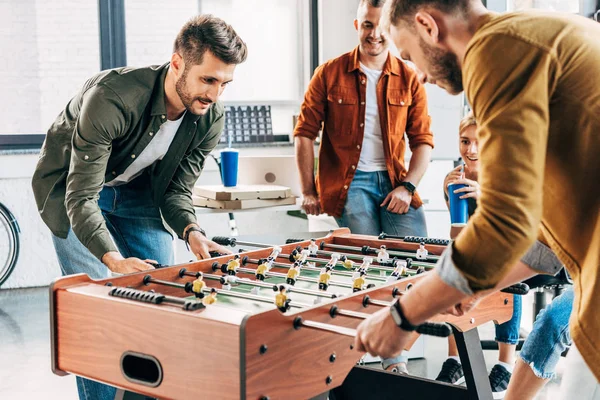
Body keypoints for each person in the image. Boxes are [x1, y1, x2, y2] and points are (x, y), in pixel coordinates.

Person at [354, 1, 600, 397]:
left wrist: (403, 317)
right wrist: (475, 287)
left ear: (427, 26)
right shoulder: (536, 34)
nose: (419, 75)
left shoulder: (496, 52)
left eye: (409, 55)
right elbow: (543, 238)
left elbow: (504, 224)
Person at [32, 15, 247, 400]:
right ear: (178, 63)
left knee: (168, 296)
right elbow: (81, 196)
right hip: (73, 189)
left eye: (224, 83)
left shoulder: (209, 116)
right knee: (96, 307)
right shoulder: (113, 97)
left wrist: (191, 231)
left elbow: (177, 190)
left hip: (136, 193)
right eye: (208, 80)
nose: (214, 95)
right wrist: (113, 261)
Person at [295, 0, 434, 373]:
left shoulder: (408, 76)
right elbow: (304, 133)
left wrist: (406, 187)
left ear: (390, 27)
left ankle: (394, 353)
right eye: (367, 26)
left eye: (380, 28)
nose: (374, 35)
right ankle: (370, 360)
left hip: (394, 182)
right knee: (368, 267)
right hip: (348, 184)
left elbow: (423, 141)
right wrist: (309, 190)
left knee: (416, 264)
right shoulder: (329, 73)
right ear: (357, 24)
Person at [434, 112, 522, 398]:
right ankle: (454, 358)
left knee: (509, 279)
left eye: (479, 141)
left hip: (506, 249)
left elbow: (515, 224)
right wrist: (450, 195)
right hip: (471, 247)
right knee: (450, 269)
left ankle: (506, 363)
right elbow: (457, 233)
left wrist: (483, 193)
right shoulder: (454, 177)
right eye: (464, 141)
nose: (471, 150)